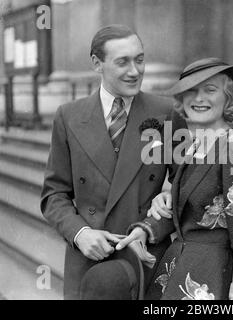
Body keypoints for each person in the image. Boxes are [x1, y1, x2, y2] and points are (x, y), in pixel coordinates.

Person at [40, 24, 181, 300]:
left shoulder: (166, 113)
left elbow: (186, 188)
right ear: (97, 63)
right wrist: (80, 233)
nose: (135, 70)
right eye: (123, 62)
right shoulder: (68, 116)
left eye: (139, 59)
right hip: (89, 258)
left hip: (146, 256)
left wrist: (152, 224)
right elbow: (54, 194)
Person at [120, 57, 233, 300]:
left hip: (213, 276)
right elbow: (190, 207)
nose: (198, 98)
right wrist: (150, 223)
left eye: (210, 90)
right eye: (190, 91)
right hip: (177, 267)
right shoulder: (192, 148)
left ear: (228, 97)